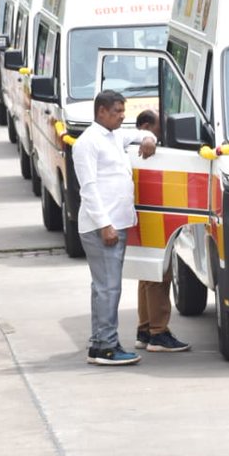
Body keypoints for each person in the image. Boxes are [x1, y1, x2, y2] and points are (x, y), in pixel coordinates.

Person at [73, 91, 157, 366]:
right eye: (117, 111)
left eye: (123, 111)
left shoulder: (114, 135)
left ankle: (101, 342)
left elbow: (144, 134)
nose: (122, 116)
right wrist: (104, 225)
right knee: (108, 288)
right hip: (102, 227)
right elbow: (88, 189)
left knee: (104, 288)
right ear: (101, 112)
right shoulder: (87, 143)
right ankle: (106, 347)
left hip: (115, 224)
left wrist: (148, 139)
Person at [134, 109, 189, 352]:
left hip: (144, 216)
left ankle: (145, 330)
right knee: (159, 274)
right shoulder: (146, 149)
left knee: (147, 275)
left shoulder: (137, 146)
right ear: (146, 127)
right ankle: (158, 333)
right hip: (154, 216)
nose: (164, 132)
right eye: (159, 127)